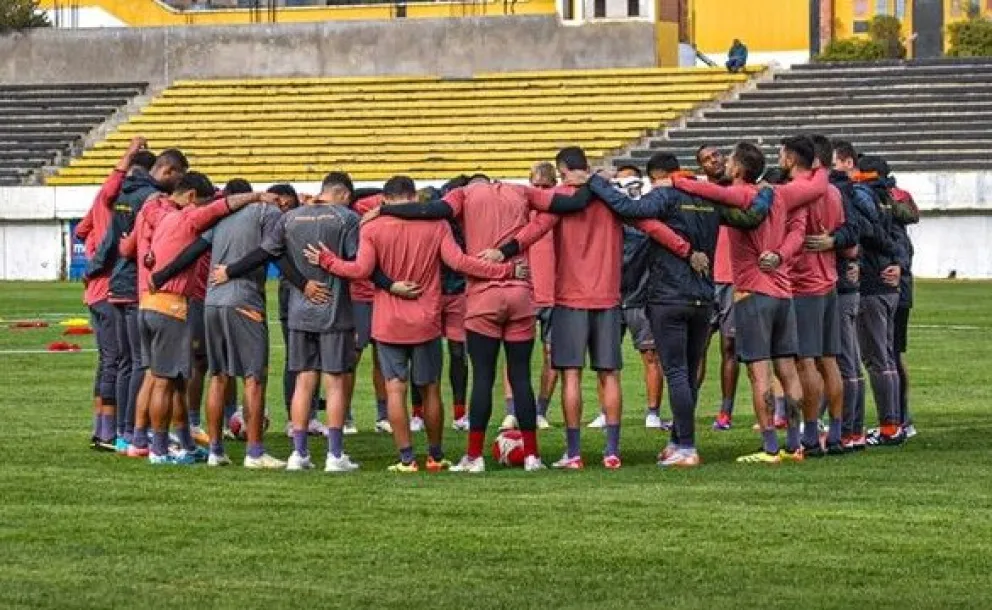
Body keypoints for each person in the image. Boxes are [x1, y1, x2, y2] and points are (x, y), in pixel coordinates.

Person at [370, 170, 601, 472]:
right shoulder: (521, 191)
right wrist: (591, 182)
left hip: (482, 297)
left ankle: (475, 456)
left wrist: (384, 209)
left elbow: (432, 208)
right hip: (520, 292)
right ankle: (532, 456)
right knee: (520, 377)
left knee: (482, 377)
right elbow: (567, 207)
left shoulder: (464, 195)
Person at [305, 175, 525, 473]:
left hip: (388, 320)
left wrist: (328, 261)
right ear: (414, 198)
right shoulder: (436, 225)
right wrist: (505, 269)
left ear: (386, 199)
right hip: (426, 319)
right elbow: (460, 263)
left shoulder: (373, 226)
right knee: (431, 388)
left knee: (396, 389)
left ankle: (407, 459)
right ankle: (435, 456)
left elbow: (360, 270)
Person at [496, 148, 694, 470]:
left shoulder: (560, 199)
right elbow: (650, 225)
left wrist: (500, 252)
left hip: (569, 300)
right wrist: (685, 249)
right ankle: (611, 452)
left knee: (570, 375)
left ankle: (573, 454)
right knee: (609, 375)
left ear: (564, 171)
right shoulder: (612, 200)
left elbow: (533, 232)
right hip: (607, 298)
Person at [672, 140, 828, 463]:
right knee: (788, 370)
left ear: (740, 168)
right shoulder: (781, 196)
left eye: (729, 161)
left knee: (759, 372)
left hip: (752, 292)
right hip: (784, 292)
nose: (725, 165)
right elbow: (806, 207)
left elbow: (716, 195)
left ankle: (770, 446)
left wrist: (677, 181)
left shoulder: (745, 194)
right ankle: (795, 444)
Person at [586, 153, 718, 467]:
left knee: (675, 372)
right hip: (703, 294)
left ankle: (687, 447)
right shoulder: (707, 200)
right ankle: (676, 442)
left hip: (669, 295)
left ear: (656, 176)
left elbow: (630, 209)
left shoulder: (665, 194)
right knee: (687, 373)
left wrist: (595, 181)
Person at [140, 171, 269, 465]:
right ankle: (159, 451)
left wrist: (159, 276)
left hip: (149, 302)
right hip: (171, 306)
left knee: (174, 381)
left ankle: (182, 444)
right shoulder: (190, 218)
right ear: (191, 198)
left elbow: (150, 206)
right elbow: (223, 207)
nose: (208, 207)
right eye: (204, 201)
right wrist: (258, 196)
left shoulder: (161, 215)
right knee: (164, 382)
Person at [100, 149, 189, 458]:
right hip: (144, 289)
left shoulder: (124, 191)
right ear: (167, 171)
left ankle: (122, 434)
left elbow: (122, 246)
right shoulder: (154, 202)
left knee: (127, 363)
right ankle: (140, 434)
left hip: (118, 285)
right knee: (147, 366)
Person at [196, 179, 285, 468]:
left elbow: (196, 248)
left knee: (218, 376)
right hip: (244, 301)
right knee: (253, 378)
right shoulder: (265, 212)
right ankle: (255, 453)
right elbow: (273, 251)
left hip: (212, 301)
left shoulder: (219, 215)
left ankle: (215, 451)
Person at [76, 137, 153, 452]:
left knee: (110, 360)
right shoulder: (115, 202)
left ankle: (103, 428)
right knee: (120, 360)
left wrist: (94, 242)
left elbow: (82, 232)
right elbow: (109, 242)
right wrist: (129, 153)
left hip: (98, 292)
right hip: (109, 290)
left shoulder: (102, 204)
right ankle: (111, 433)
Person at [786, 135, 850, 456]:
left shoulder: (800, 192)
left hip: (803, 283)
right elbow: (844, 235)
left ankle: (810, 436)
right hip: (829, 282)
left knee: (805, 362)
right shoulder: (835, 192)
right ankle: (836, 434)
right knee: (829, 360)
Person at [850, 154, 906, 446]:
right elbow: (899, 238)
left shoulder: (864, 196)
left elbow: (869, 232)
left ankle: (888, 426)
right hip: (889, 286)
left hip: (872, 283)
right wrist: (898, 261)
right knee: (886, 357)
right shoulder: (888, 197)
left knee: (875, 359)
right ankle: (894, 423)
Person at [501, 163, 559, 432]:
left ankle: (540, 411)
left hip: (556, 295)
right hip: (522, 290)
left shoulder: (562, 212)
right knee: (514, 354)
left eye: (546, 186)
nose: (540, 191)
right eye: (536, 185)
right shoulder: (517, 211)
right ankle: (512, 411)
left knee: (554, 355)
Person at [691, 146, 742, 431]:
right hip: (704, 278)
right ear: (700, 166)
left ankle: (726, 412)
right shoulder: (697, 195)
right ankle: (689, 408)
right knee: (697, 348)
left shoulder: (737, 192)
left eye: (719, 155)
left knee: (729, 346)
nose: (716, 160)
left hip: (733, 277)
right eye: (708, 158)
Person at [888, 183, 919, 437]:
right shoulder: (899, 197)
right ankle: (901, 417)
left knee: (889, 355)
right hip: (900, 291)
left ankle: (899, 418)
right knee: (892, 354)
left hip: (894, 290)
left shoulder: (888, 204)